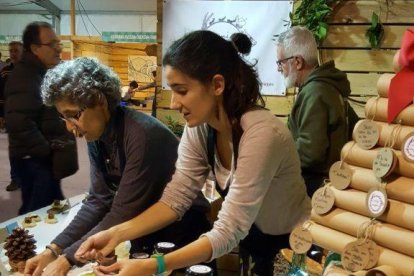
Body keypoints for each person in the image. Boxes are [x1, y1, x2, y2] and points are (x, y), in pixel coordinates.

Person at [75, 30, 310, 276]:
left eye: (182, 90)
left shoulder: (261, 133)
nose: (174, 103)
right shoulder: (201, 127)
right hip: (253, 237)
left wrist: (155, 265)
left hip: (295, 246)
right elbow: (175, 199)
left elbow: (229, 230)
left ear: (217, 85)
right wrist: (116, 233)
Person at [24, 57, 210, 276]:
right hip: (142, 232)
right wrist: (53, 250)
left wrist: (68, 259)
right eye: (63, 117)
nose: (69, 127)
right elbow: (98, 200)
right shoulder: (98, 135)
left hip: (182, 235)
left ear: (100, 101)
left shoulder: (142, 135)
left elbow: (122, 211)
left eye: (73, 115)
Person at [4, 21, 74, 214]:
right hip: (33, 160)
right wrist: (44, 150)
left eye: (58, 43)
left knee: (53, 206)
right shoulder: (26, 75)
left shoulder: (39, 72)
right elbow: (19, 121)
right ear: (35, 48)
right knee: (36, 212)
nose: (58, 48)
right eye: (52, 44)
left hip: (41, 159)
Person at [276, 26, 352, 197]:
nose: (279, 69)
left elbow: (311, 152)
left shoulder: (315, 91)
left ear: (297, 62)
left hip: (315, 188)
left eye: (281, 62)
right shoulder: (325, 86)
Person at [0, 41, 23, 192]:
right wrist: (1, 116)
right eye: (11, 50)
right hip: (12, 117)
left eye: (16, 50)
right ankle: (16, 179)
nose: (13, 53)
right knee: (15, 149)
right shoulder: (5, 72)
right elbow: (1, 95)